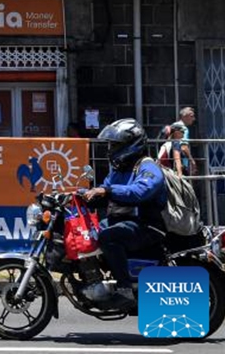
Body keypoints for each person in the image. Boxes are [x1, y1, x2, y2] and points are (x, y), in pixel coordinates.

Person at [83, 118, 167, 310]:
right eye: (111, 144)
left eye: (116, 144)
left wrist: (108, 191)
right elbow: (104, 189)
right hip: (123, 223)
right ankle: (94, 280)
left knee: (108, 237)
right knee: (89, 233)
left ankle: (124, 291)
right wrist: (82, 195)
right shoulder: (119, 169)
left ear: (131, 144)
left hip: (147, 227)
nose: (111, 148)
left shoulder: (148, 167)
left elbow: (140, 191)